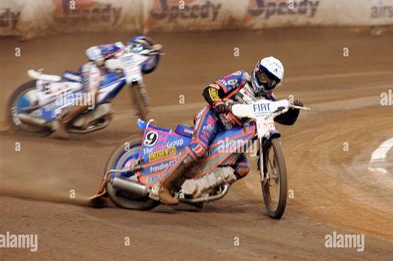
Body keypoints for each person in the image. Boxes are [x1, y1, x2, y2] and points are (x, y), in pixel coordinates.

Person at [149, 56, 304, 205]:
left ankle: (196, 191)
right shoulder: (240, 78)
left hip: (230, 134)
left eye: (271, 82)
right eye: (263, 77)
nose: (265, 84)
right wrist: (217, 103)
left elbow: (284, 120)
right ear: (257, 71)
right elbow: (210, 89)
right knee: (199, 148)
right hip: (213, 118)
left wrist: (294, 110)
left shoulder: (269, 101)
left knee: (242, 168)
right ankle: (160, 186)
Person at [52, 36, 156, 138]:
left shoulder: (132, 68)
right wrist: (98, 58)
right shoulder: (118, 48)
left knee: (105, 109)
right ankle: (61, 122)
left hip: (103, 79)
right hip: (93, 70)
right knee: (90, 99)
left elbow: (137, 98)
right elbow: (92, 50)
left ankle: (78, 120)